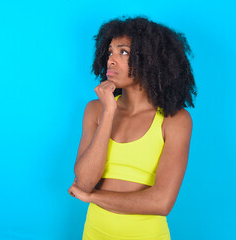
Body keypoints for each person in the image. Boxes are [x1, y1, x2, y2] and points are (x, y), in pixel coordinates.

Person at [68, 16, 197, 240]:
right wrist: (109, 112)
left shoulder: (175, 120)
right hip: (94, 233)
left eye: (123, 52)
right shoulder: (95, 110)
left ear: (150, 59)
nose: (112, 60)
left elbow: (161, 202)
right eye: (110, 52)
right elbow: (85, 181)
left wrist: (93, 197)